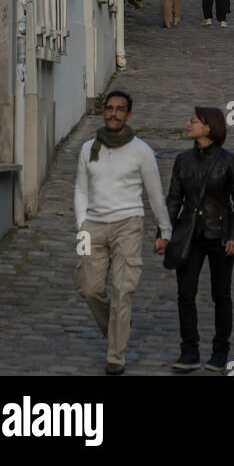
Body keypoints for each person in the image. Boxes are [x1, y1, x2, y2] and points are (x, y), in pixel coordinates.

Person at [74, 89, 172, 376]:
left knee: (122, 291)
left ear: (128, 115)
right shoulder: (88, 148)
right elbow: (81, 190)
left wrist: (165, 230)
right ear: (104, 112)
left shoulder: (141, 151)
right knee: (89, 288)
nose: (113, 113)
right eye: (109, 108)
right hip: (92, 226)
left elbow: (155, 195)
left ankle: (116, 355)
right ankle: (119, 326)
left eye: (119, 109)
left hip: (128, 224)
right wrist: (81, 226)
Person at [167, 106, 234, 374]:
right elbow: (174, 200)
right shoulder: (183, 160)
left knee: (221, 294)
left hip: (220, 236)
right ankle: (189, 350)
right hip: (190, 236)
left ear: (209, 127)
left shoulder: (229, 160)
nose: (189, 125)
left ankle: (220, 350)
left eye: (194, 121)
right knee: (185, 293)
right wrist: (164, 235)